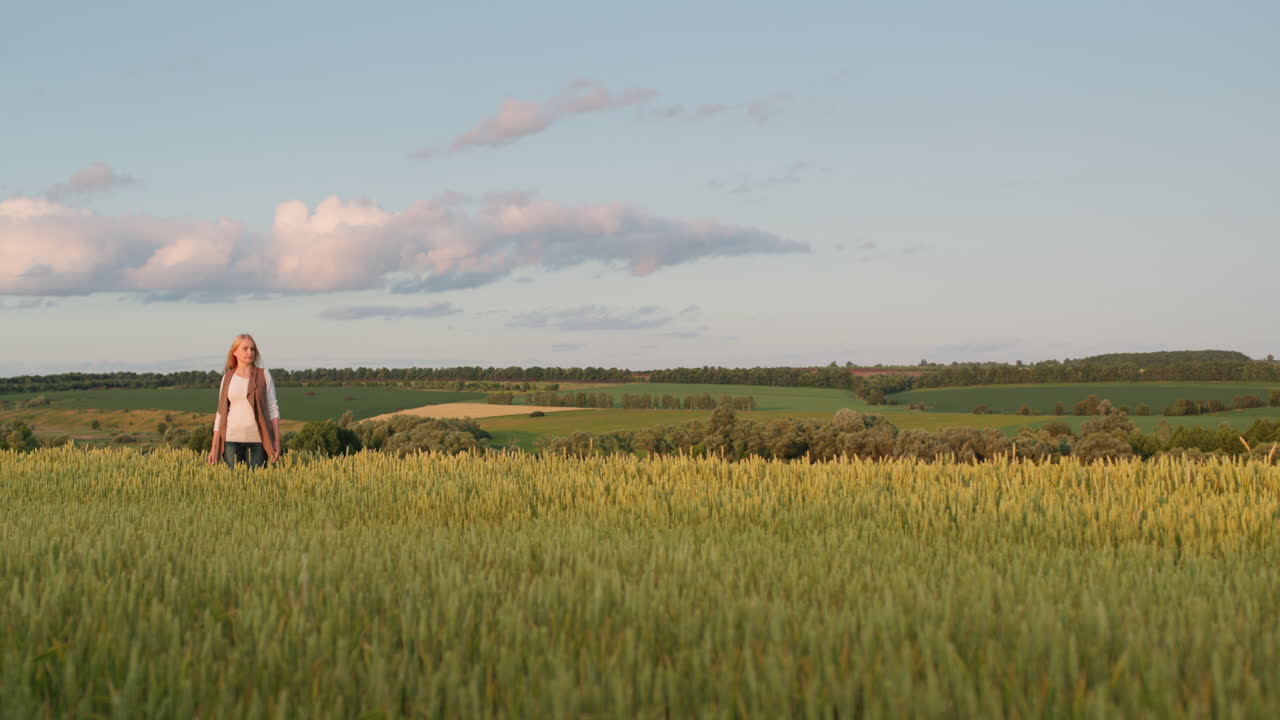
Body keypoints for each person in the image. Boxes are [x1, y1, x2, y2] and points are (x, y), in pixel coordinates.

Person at [208, 333, 280, 468]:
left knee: (259, 484)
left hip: (259, 439)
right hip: (231, 439)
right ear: (234, 352)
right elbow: (220, 413)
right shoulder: (227, 378)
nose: (250, 352)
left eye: (252, 349)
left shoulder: (264, 375)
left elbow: (273, 408)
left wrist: (276, 441)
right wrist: (214, 447)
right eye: (245, 348)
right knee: (235, 484)